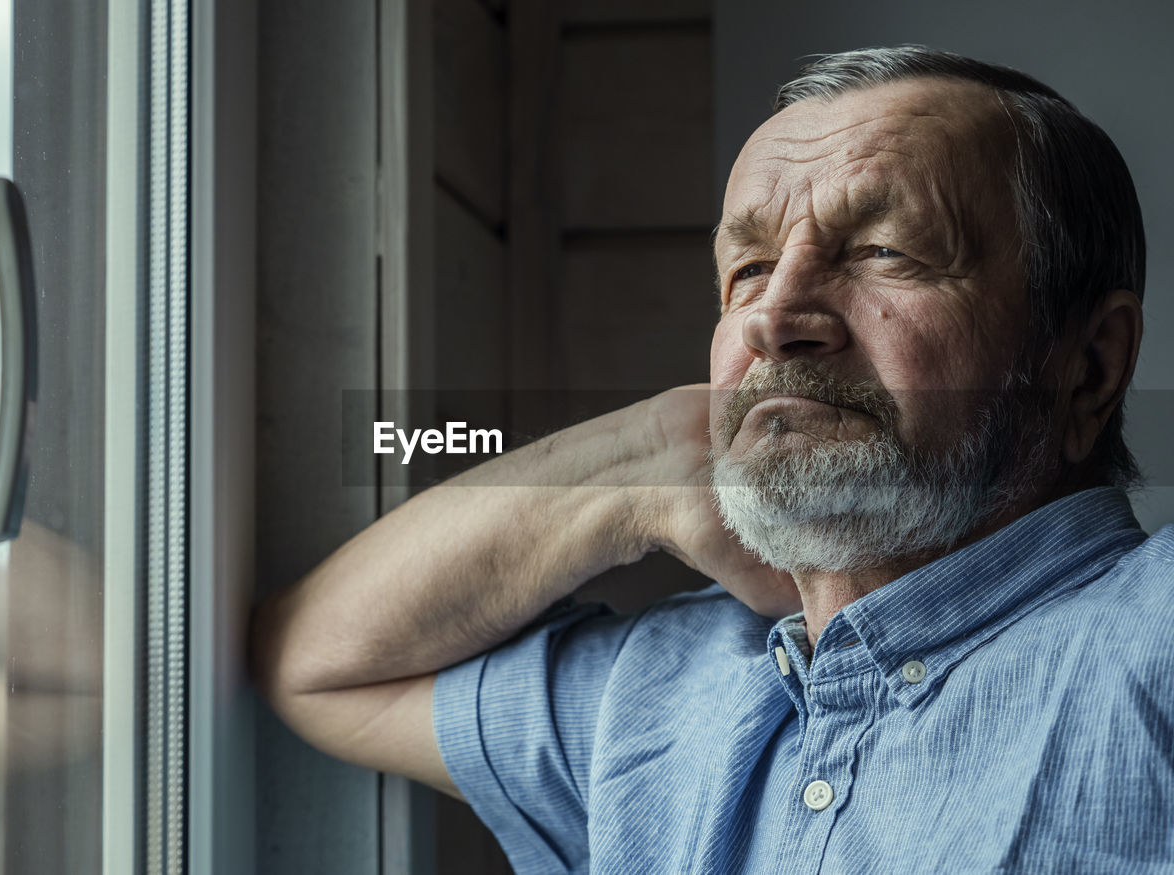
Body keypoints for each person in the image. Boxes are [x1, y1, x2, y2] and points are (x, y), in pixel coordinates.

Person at [251, 45, 1174, 872]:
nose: (776, 316)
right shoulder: (659, 700)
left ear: (1087, 366)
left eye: (886, 250)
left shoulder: (1150, 634)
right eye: (748, 271)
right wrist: (647, 456)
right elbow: (317, 661)